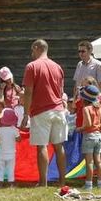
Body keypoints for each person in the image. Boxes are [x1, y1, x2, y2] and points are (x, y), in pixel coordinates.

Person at [21, 39, 68, 187]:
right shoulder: (58, 67)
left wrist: (26, 114)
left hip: (41, 111)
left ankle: (43, 182)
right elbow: (61, 91)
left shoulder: (32, 66)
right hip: (59, 110)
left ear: (36, 48)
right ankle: (62, 181)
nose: (31, 53)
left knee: (42, 146)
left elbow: (28, 92)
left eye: (32, 50)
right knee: (59, 146)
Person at [78, 84, 101, 191]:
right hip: (98, 136)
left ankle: (88, 184)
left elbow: (88, 124)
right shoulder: (100, 108)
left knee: (89, 162)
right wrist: (98, 130)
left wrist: (79, 129)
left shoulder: (86, 109)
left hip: (88, 137)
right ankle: (100, 184)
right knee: (98, 161)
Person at [0, 107, 21, 187]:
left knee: (1, 168)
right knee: (11, 168)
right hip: (11, 153)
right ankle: (11, 182)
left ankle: (0, 182)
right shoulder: (15, 130)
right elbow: (18, 139)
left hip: (2, 152)